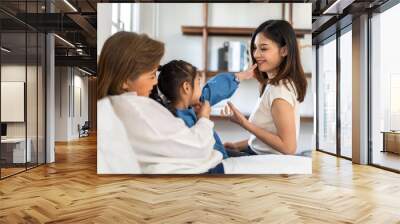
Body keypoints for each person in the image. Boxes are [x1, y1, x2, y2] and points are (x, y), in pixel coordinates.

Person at [97, 31, 224, 174]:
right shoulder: (136, 109)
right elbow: (198, 147)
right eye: (151, 76)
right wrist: (204, 119)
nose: (155, 81)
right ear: (125, 80)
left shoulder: (114, 108)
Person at [223, 20, 308, 156]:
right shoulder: (274, 84)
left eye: (263, 48)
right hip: (254, 152)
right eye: (255, 48)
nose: (256, 54)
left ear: (284, 50)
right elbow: (266, 137)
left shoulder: (279, 92)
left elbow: (288, 148)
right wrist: (237, 146)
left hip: (264, 161)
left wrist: (244, 123)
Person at [152, 60, 256, 159]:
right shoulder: (177, 122)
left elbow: (213, 90)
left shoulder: (190, 105)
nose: (201, 88)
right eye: (198, 83)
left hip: (220, 155)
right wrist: (204, 118)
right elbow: (197, 150)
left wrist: (239, 76)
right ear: (186, 87)